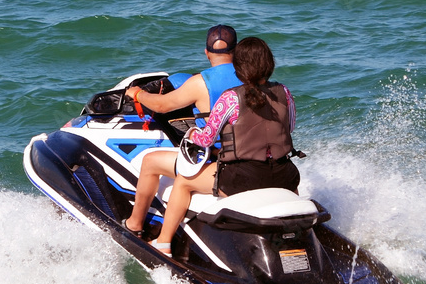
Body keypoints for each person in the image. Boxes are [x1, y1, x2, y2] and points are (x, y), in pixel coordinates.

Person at [129, 36, 300, 256]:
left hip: (243, 178)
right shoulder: (284, 92)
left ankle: (163, 242)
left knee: (183, 182)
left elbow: (206, 139)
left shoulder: (231, 98)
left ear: (239, 67)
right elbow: (290, 126)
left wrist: (192, 133)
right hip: (285, 175)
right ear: (270, 64)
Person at [121, 26, 241, 241]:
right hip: (254, 156)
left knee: (150, 162)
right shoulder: (253, 78)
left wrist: (137, 94)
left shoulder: (199, 82)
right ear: (238, 50)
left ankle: (135, 224)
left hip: (220, 161)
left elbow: (163, 105)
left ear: (206, 52)